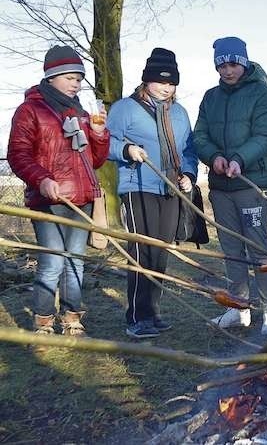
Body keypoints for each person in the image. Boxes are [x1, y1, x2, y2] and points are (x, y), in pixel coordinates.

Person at [7, 45, 110, 337]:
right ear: (51, 76)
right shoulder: (31, 110)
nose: (76, 82)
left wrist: (100, 136)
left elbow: (97, 160)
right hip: (49, 200)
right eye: (69, 77)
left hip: (82, 199)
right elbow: (18, 154)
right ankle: (43, 321)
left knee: (75, 261)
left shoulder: (82, 113)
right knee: (52, 261)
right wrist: (42, 179)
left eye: (79, 77)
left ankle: (72, 318)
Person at [107, 48, 198, 339]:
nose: (166, 87)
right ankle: (136, 316)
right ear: (146, 80)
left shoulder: (180, 113)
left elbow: (188, 150)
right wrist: (126, 150)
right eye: (160, 81)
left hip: (170, 188)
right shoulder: (126, 108)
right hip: (138, 187)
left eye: (171, 83)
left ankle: (153, 312)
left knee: (160, 253)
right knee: (141, 252)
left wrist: (189, 175)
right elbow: (105, 142)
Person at [192, 36, 267, 334]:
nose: (227, 71)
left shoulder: (262, 93)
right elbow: (200, 136)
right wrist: (214, 156)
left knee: (258, 248)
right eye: (222, 65)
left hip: (250, 182)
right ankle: (238, 308)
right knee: (231, 248)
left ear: (243, 63)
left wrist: (240, 159)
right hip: (220, 187)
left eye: (233, 64)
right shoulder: (210, 97)